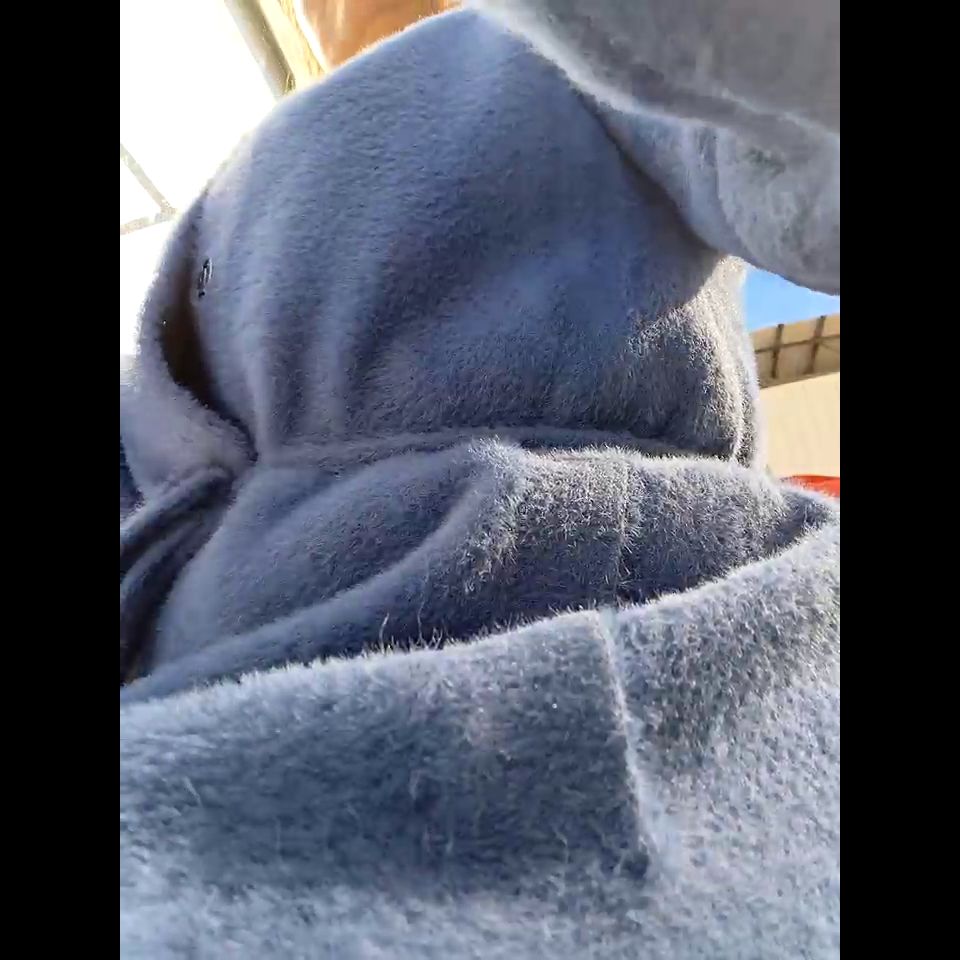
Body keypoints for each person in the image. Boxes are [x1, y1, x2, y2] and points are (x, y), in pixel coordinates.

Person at [120, 2, 839, 956]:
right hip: (220, 702)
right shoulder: (247, 176)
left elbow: (771, 102)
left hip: (576, 606)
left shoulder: (554, 61)